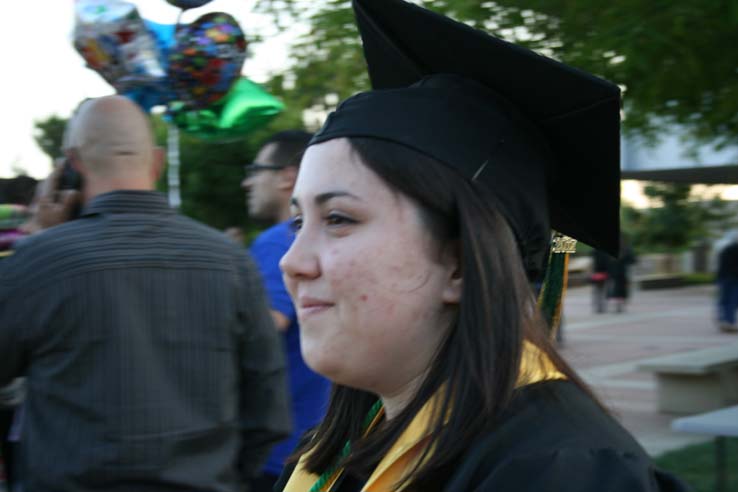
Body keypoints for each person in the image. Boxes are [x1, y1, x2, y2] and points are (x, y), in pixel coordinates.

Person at [274, 0, 689, 490]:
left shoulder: (563, 472)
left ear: (462, 263)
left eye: (339, 218)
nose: (292, 262)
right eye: (298, 223)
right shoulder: (335, 455)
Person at [0, 95, 291, 491]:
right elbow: (269, 409)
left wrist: (36, 237)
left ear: (73, 165)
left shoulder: (38, 260)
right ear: (156, 162)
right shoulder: (231, 262)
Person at [241, 131, 331, 490]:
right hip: (319, 439)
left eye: (256, 169)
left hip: (282, 450)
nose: (248, 182)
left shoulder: (277, 241)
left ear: (287, 176)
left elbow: (264, 328)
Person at [717, 231, 738, 333]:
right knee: (733, 301)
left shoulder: (725, 249)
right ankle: (729, 322)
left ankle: (723, 321)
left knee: (724, 300)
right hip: (735, 279)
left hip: (724, 278)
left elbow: (721, 265)